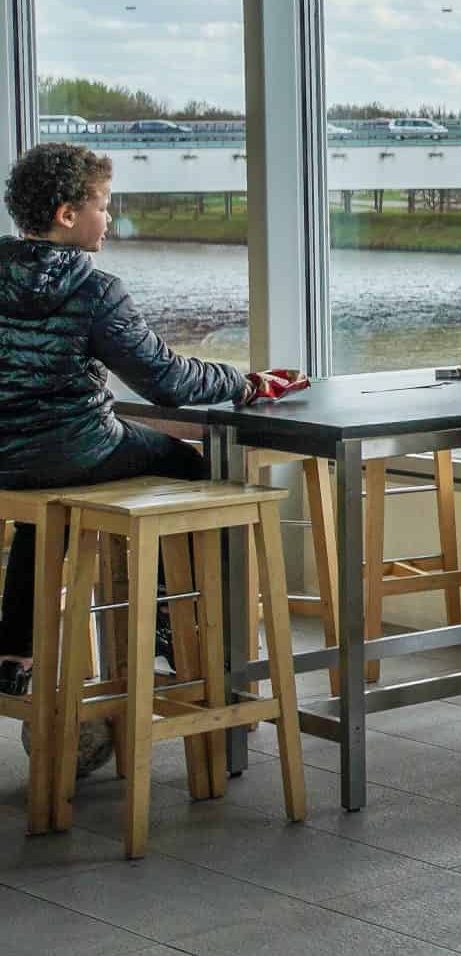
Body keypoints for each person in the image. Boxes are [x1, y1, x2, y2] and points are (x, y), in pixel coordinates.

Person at [0, 143, 304, 768]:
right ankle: (179, 629)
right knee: (189, 466)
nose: (109, 218)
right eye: (102, 206)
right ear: (66, 214)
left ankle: (15, 652)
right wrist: (244, 382)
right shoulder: (94, 289)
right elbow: (165, 380)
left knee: (46, 510)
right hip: (77, 448)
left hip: (10, 462)